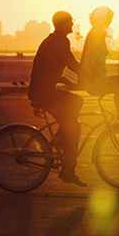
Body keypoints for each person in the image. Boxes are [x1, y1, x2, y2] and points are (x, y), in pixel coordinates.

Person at [28, 11, 86, 187]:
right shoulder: (60, 41)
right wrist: (89, 76)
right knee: (74, 129)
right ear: (61, 25)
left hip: (42, 90)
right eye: (69, 22)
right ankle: (68, 170)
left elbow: (49, 69)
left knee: (76, 103)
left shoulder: (52, 40)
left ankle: (59, 140)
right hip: (44, 93)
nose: (72, 25)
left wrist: (67, 81)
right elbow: (72, 64)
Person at [79, 6, 119, 124]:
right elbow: (90, 59)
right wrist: (94, 77)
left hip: (95, 79)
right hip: (95, 82)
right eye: (109, 18)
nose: (111, 21)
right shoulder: (96, 34)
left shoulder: (95, 32)